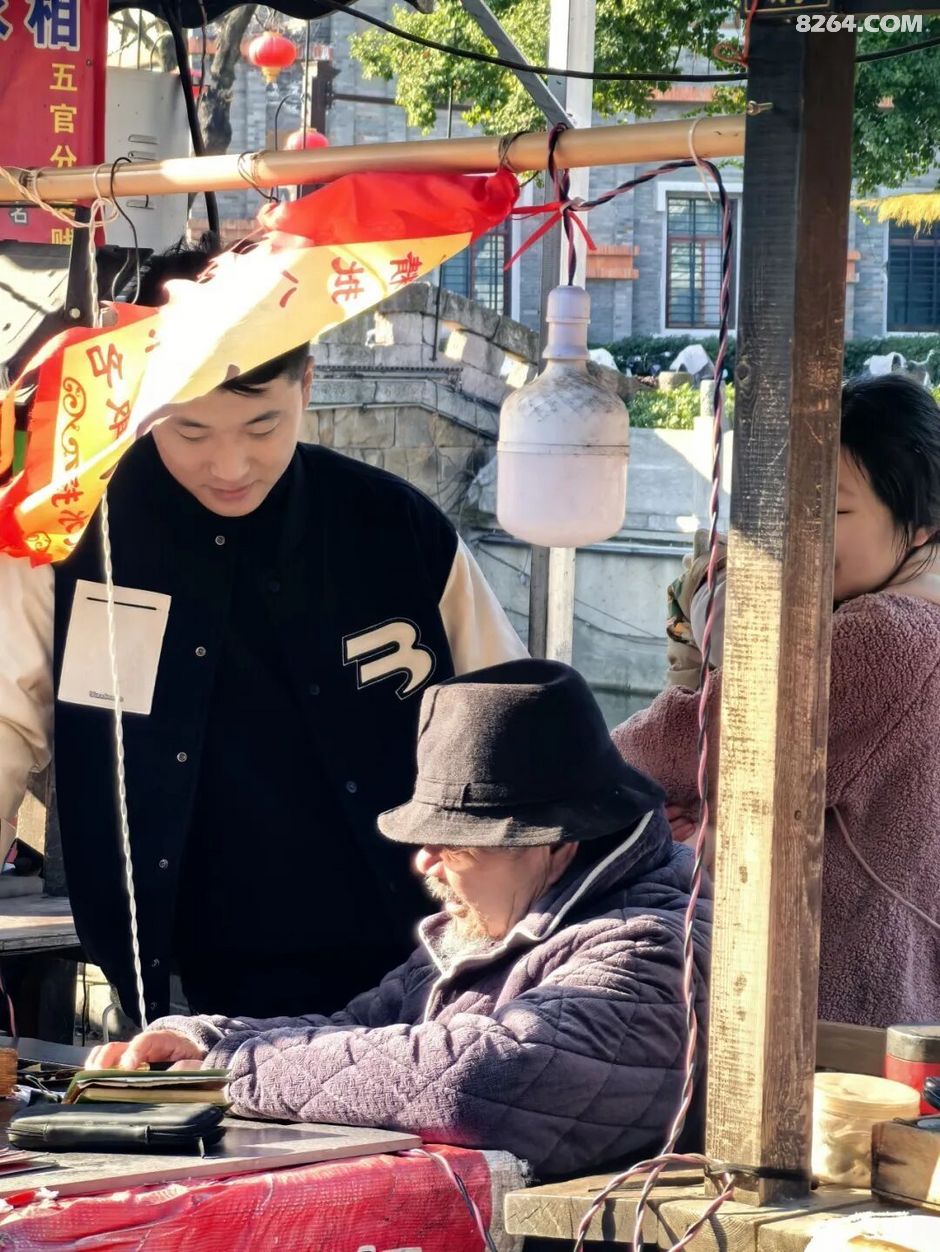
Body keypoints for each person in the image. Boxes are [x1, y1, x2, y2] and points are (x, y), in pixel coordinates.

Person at [0, 243, 525, 1024]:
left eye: (262, 425)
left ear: (306, 385)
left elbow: (512, 726)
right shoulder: (70, 536)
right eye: (191, 431)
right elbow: (5, 728)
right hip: (173, 973)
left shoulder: (393, 526)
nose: (230, 465)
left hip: (412, 959)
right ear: (143, 402)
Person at [88, 659, 712, 1179]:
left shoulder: (652, 944)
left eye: (455, 844)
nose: (424, 862)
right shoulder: (489, 925)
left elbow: (483, 1078)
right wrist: (214, 1039)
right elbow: (360, 1032)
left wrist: (232, 1070)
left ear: (555, 843)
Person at [613, 374, 940, 1028]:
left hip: (830, 1015)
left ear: (922, 524)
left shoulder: (884, 637)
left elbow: (671, 749)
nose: (798, 532)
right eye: (789, 505)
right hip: (904, 1001)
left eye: (833, 512)